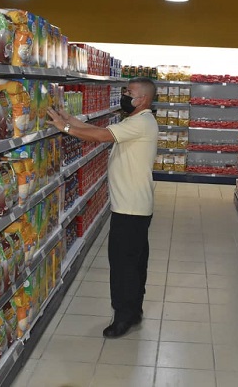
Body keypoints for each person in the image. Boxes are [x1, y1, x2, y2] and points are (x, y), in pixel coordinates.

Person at [47, 77, 158, 338]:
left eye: (129, 92)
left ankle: (123, 317)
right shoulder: (137, 120)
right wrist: (69, 119)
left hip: (130, 207)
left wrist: (65, 127)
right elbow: (99, 129)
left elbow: (100, 136)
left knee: (122, 264)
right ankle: (134, 309)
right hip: (136, 204)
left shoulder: (140, 123)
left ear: (142, 99)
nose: (125, 95)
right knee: (136, 260)